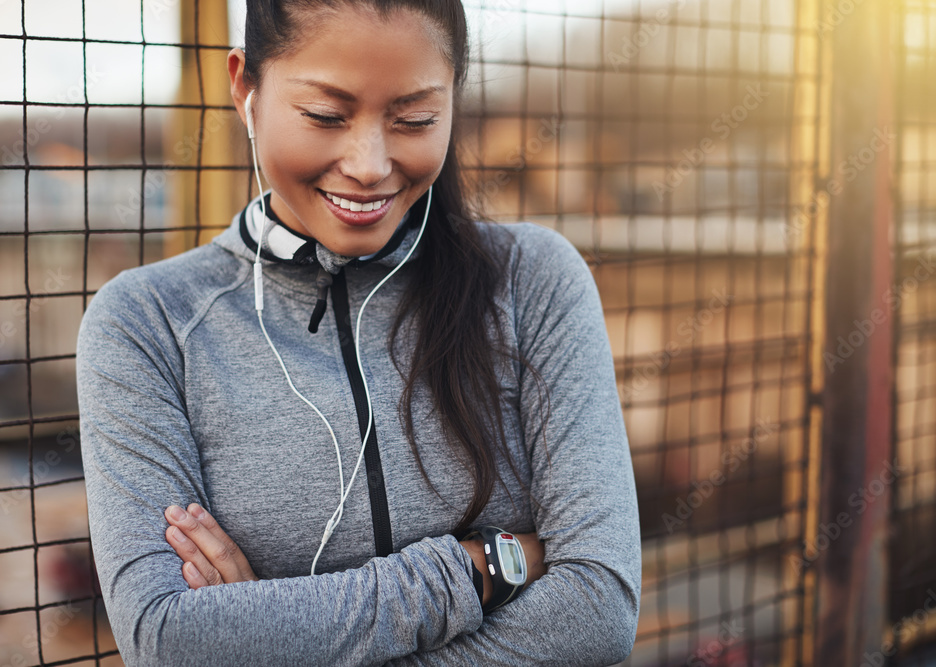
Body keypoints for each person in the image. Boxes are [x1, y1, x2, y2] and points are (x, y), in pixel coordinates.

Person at [75, 0, 641, 665]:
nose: (369, 164)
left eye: (415, 120)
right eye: (325, 116)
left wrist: (272, 635)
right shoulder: (146, 325)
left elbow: (598, 609)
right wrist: (480, 565)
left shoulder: (533, 280)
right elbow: (170, 637)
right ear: (244, 88)